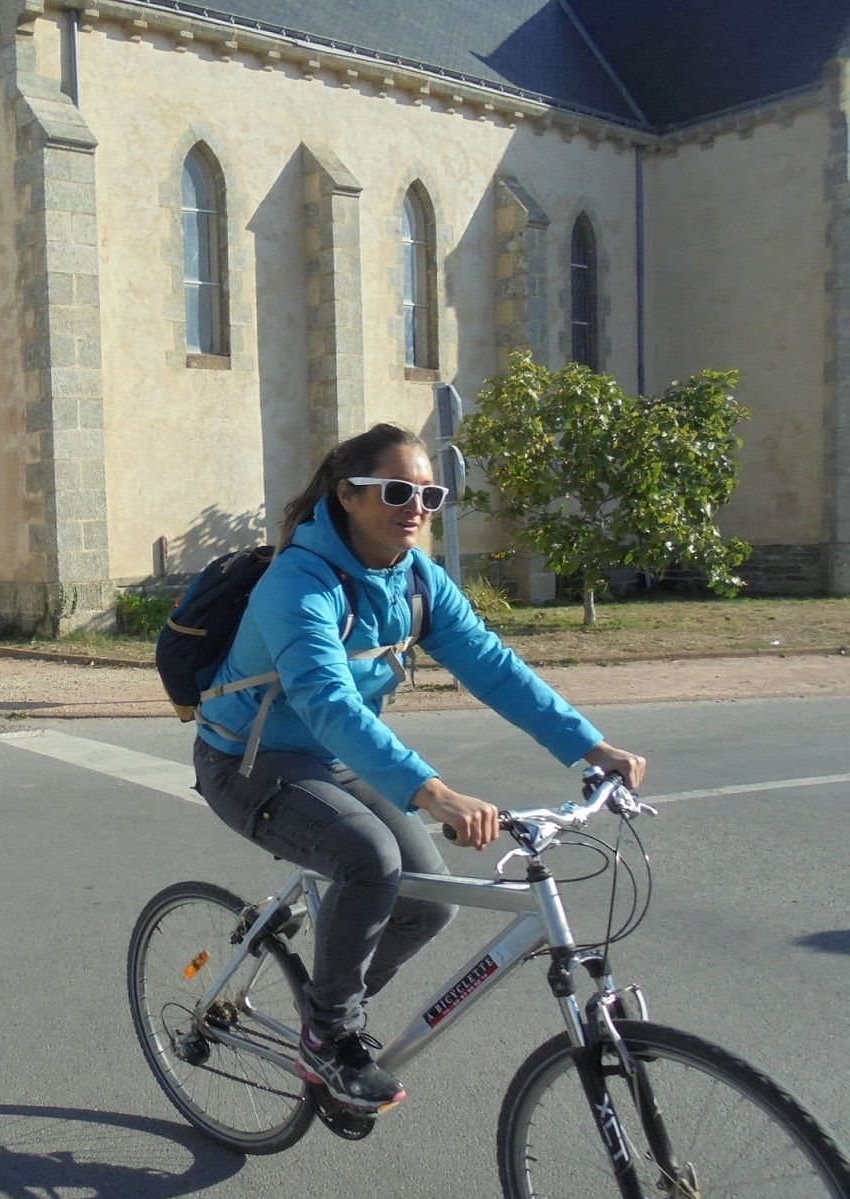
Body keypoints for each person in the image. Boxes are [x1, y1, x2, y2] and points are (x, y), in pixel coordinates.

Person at [193, 423, 646, 1115]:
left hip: (330, 760)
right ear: (347, 495)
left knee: (427, 902)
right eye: (398, 491)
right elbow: (327, 702)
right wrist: (432, 792)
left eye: (429, 494)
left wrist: (588, 746)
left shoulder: (416, 581)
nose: (417, 507)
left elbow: (491, 667)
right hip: (245, 762)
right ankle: (331, 1036)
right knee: (370, 859)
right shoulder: (299, 584)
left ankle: (324, 1009)